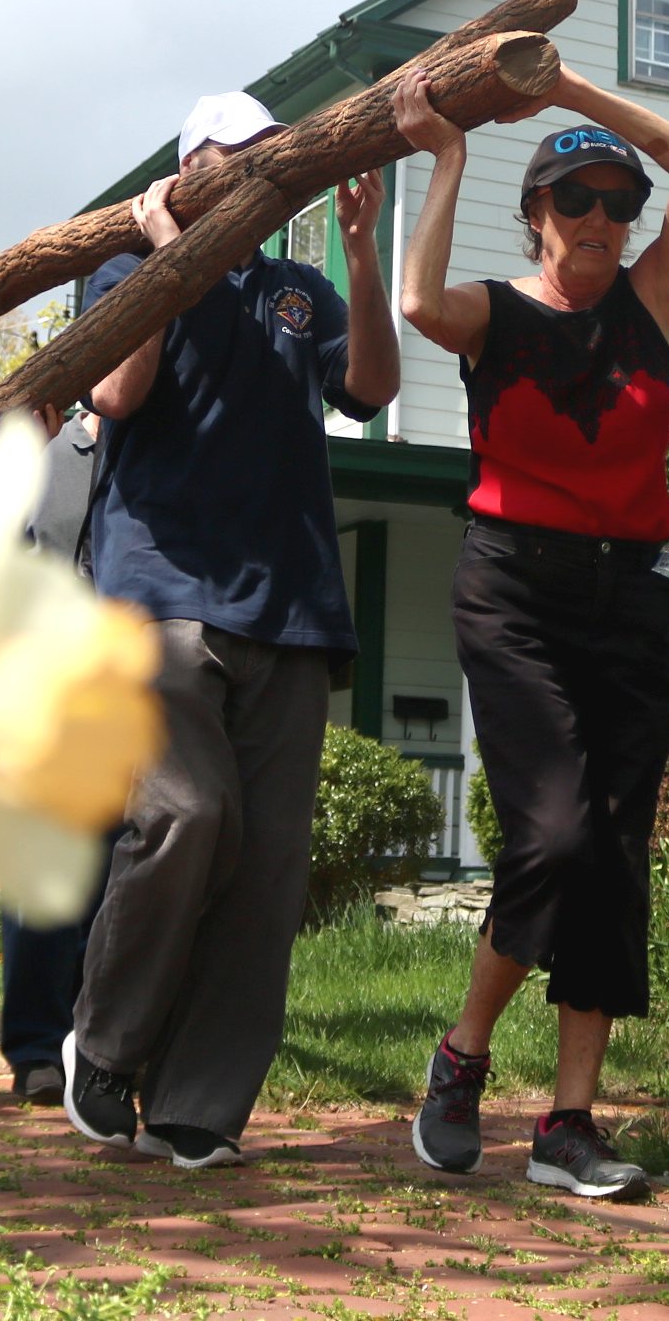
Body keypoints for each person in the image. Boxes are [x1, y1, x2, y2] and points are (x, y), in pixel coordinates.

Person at [387, 62, 669, 1201]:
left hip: (629, 600)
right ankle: (462, 1055)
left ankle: (569, 1122)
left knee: (614, 854)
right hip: (513, 592)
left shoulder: (651, 302)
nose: (598, 220)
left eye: (617, 204)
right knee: (557, 832)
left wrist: (570, 87)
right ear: (535, 214)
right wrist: (448, 154)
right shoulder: (497, 314)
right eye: (574, 200)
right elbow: (419, 305)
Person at [59, 91, 400, 1169]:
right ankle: (106, 1046)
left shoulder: (300, 291)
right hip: (158, 591)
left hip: (292, 603)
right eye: (234, 162)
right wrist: (169, 260)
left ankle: (199, 1102)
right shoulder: (120, 269)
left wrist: (360, 250)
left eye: (271, 160)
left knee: (265, 869)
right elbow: (115, 390)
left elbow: (373, 386)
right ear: (188, 170)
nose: (258, 176)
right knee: (185, 813)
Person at [0, 406, 104, 1106]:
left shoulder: (168, 449)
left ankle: (98, 1044)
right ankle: (37, 1045)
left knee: (112, 877)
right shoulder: (38, 457)